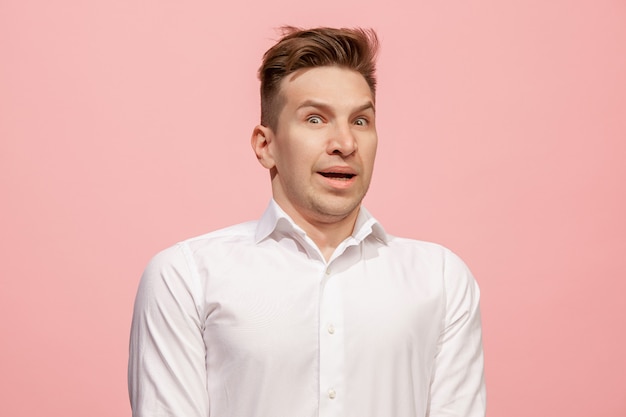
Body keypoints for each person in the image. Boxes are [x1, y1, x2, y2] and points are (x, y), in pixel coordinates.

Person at [128, 26, 486, 417]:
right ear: (266, 146)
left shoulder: (441, 279)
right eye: (315, 119)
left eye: (361, 121)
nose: (345, 143)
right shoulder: (185, 276)